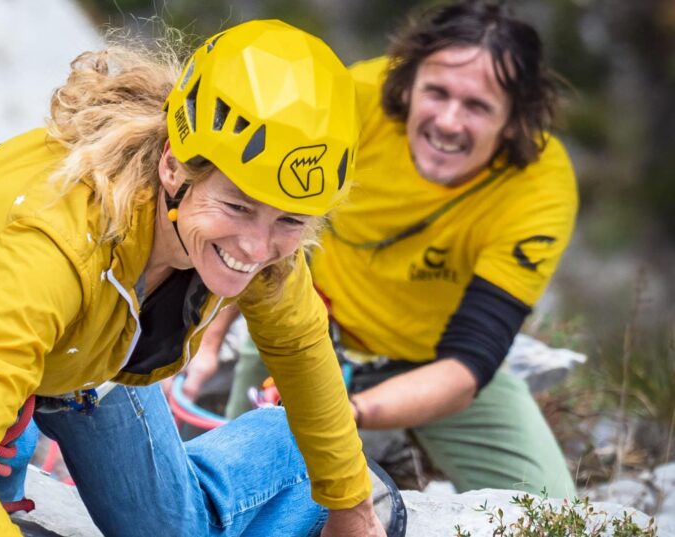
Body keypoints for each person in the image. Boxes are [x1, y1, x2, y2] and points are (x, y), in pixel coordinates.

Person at [0, 20, 387, 537]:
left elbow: (298, 342)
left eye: (289, 220)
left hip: (83, 346)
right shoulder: (57, 251)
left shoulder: (251, 208)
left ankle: (288, 451)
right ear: (172, 167)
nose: (258, 248)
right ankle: (20, 420)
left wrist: (351, 506)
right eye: (237, 208)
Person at [183, 1, 579, 499]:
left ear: (515, 121)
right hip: (308, 331)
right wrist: (210, 339)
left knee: (551, 508)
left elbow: (467, 367)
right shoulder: (351, 103)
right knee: (241, 491)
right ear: (407, 83)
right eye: (437, 92)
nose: (450, 122)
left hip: (431, 361)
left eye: (478, 107)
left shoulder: (540, 187)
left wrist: (341, 413)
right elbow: (248, 224)